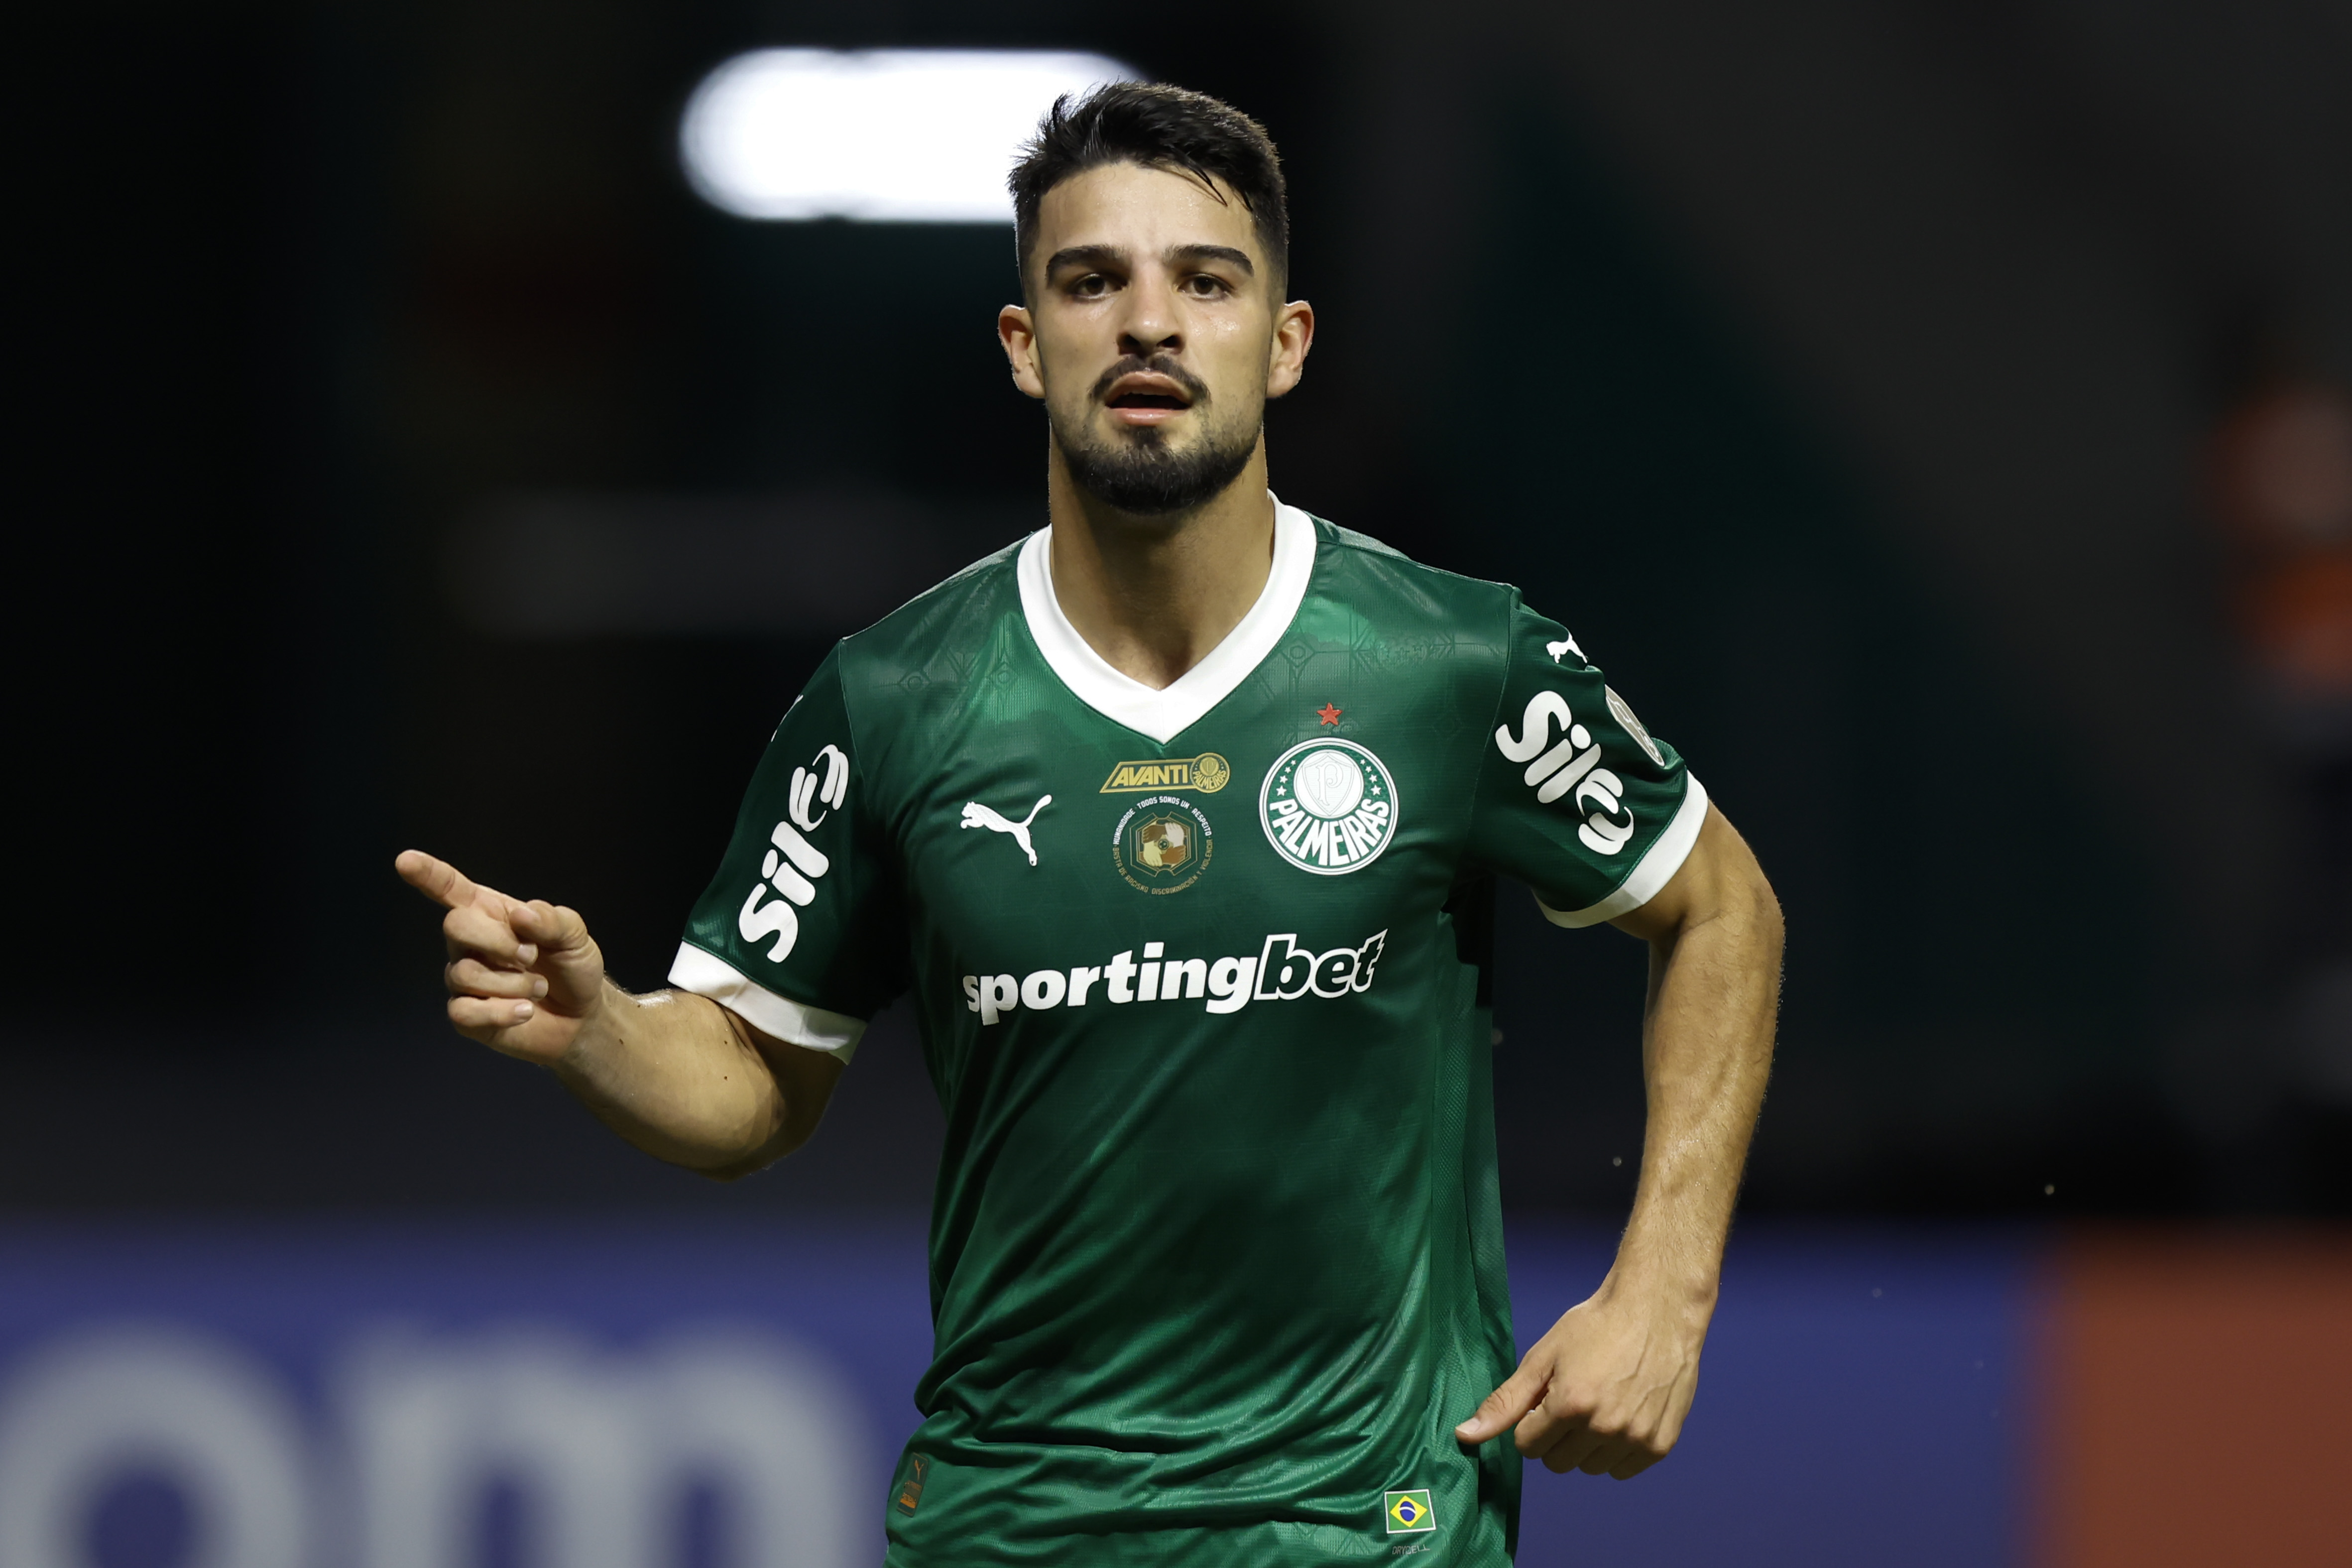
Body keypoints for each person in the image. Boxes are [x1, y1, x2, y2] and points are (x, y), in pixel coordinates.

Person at [397, 82, 1781, 1566]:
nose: (1147, 322)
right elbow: (751, 1082)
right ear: (1022, 345)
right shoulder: (893, 700)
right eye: (1088, 281)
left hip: (1364, 1525)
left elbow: (1719, 907)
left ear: (1286, 342)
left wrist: (1664, 1292)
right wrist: (603, 1025)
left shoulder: (1453, 662)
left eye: (1204, 279)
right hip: (1010, 1526)